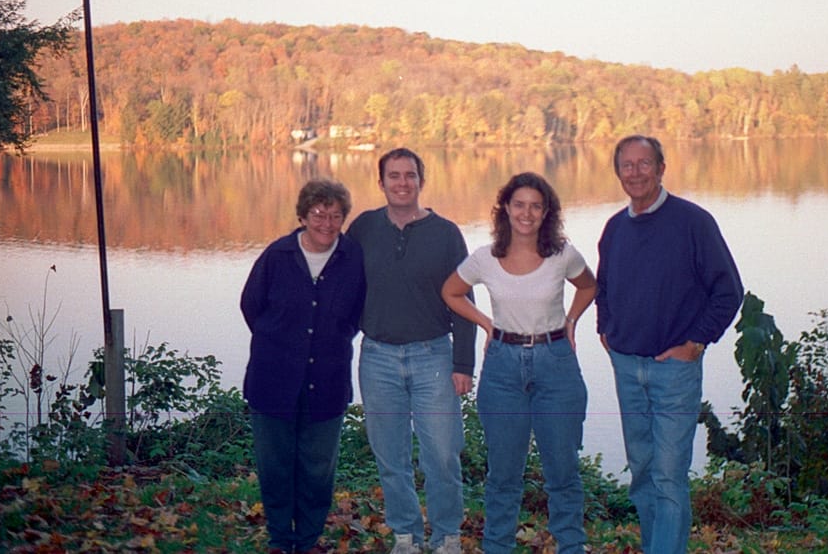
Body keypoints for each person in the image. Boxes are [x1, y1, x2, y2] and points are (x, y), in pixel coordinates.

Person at [596, 135, 744, 554]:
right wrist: (605, 328)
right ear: (618, 172)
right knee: (642, 472)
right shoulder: (615, 228)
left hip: (673, 370)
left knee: (669, 475)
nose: (636, 172)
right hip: (627, 367)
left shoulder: (693, 222)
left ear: (662, 168)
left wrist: (696, 342)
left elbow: (728, 291)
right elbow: (604, 286)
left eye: (645, 164)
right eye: (627, 165)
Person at [442, 171, 596, 554]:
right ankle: (498, 547)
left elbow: (589, 286)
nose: (527, 213)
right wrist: (486, 325)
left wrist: (572, 321)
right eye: (519, 204)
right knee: (504, 475)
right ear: (506, 209)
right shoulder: (485, 258)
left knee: (562, 472)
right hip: (503, 369)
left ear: (547, 213)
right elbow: (452, 292)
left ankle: (571, 547)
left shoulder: (562, 254)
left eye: (536, 206)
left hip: (555, 365)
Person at [346, 148, 475, 554]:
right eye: (394, 176)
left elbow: (463, 300)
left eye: (410, 175)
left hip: (433, 356)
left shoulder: (446, 233)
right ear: (380, 182)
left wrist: (463, 364)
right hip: (378, 357)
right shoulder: (364, 228)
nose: (402, 183)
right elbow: (343, 287)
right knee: (390, 456)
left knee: (442, 455)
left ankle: (446, 536)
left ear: (422, 181)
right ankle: (406, 535)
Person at [240, 177, 366, 554]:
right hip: (272, 381)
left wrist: (335, 337)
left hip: (327, 382)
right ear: (302, 216)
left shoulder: (353, 258)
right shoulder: (277, 257)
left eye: (336, 215)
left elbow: (358, 312)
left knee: (317, 470)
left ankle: (308, 540)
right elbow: (251, 305)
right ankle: (281, 539)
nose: (327, 223)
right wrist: (278, 342)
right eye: (318, 214)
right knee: (276, 467)